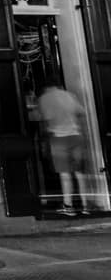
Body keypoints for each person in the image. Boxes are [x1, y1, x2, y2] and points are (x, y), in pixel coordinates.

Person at [34, 84, 94, 216]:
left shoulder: (45, 98)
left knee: (65, 174)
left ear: (46, 87)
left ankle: (69, 206)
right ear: (58, 85)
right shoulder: (69, 95)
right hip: (76, 136)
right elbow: (82, 111)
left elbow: (42, 117)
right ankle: (85, 206)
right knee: (79, 173)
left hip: (59, 138)